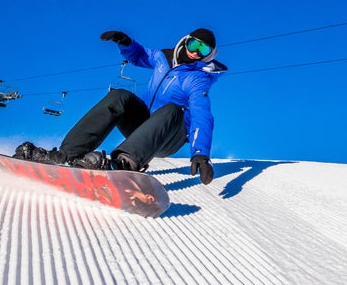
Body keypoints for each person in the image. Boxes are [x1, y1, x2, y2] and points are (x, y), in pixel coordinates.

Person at [14, 28, 226, 185]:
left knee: (173, 109)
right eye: (194, 45)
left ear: (209, 54)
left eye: (203, 49)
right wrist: (126, 43)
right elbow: (142, 55)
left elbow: (201, 114)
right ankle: (67, 154)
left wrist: (200, 153)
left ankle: (123, 164)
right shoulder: (164, 57)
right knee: (120, 96)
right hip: (145, 126)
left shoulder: (198, 79)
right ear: (186, 41)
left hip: (169, 135)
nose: (196, 52)